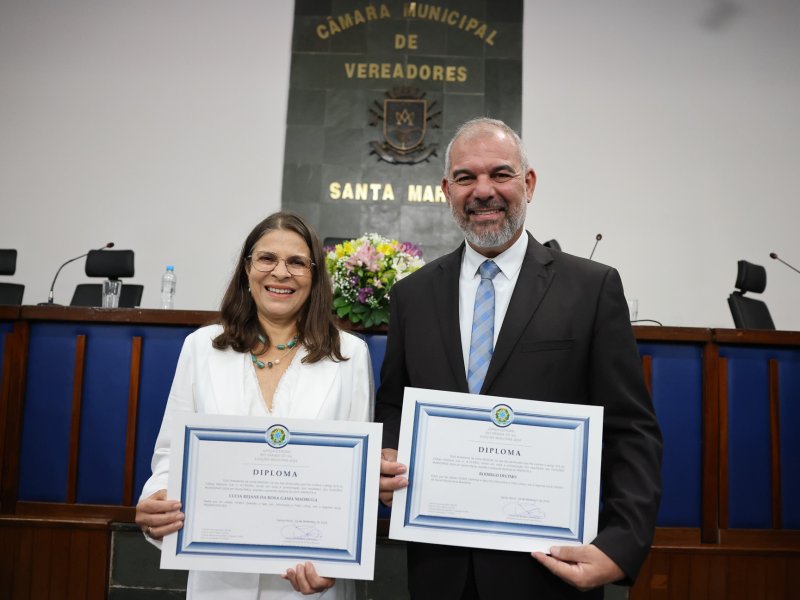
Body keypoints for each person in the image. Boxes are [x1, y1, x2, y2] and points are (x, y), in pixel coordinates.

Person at [375, 118, 662, 599]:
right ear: (447, 190)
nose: (483, 191)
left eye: (500, 174)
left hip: (547, 571)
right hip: (438, 570)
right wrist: (386, 455)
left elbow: (630, 429)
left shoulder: (592, 289)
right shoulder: (412, 296)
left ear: (528, 184)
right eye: (466, 178)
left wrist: (622, 544)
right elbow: (394, 404)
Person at [136, 211, 372, 599]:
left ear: (315, 277)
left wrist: (337, 561)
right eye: (266, 259)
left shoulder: (349, 355)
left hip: (309, 578)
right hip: (219, 576)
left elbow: (355, 478)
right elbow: (171, 455)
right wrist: (155, 503)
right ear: (247, 269)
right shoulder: (201, 347)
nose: (280, 272)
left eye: (297, 262)